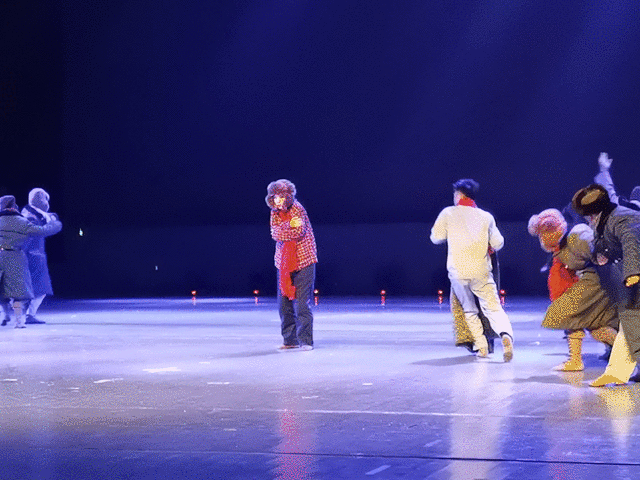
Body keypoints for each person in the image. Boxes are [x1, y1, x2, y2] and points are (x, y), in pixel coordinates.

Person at [430, 179, 514, 361]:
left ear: (459, 195)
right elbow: (498, 243)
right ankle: (505, 334)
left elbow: (435, 237)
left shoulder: (448, 213)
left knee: (469, 310)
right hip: (480, 270)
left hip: (458, 271)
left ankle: (481, 346)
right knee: (493, 307)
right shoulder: (486, 216)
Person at [528, 208, 617, 371]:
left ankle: (629, 350)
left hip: (599, 283)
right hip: (589, 284)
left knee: (579, 318)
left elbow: (605, 255)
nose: (543, 237)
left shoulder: (577, 237)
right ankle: (576, 360)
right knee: (591, 327)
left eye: (545, 232)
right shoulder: (560, 249)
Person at [570, 184, 640, 386]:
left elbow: (631, 243)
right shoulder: (603, 219)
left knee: (631, 321)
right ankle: (617, 372)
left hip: (634, 275)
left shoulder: (624, 217)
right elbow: (603, 243)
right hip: (627, 280)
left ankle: (617, 372)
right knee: (630, 323)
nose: (587, 218)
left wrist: (633, 272)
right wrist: (599, 255)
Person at [266, 180, 318, 351]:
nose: (277, 200)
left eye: (280, 197)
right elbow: (275, 233)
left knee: (302, 304)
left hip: (304, 260)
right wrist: (287, 226)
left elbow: (298, 232)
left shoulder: (297, 209)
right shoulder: (274, 212)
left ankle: (306, 341)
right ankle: (290, 340)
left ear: (287, 197)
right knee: (284, 305)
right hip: (283, 263)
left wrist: (284, 228)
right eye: (274, 197)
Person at [0, 195, 62, 328]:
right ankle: (19, 321)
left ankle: (5, 314)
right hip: (15, 256)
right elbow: (43, 231)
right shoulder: (21, 221)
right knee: (18, 291)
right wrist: (55, 223)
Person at [21, 188, 61, 324]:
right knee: (41, 287)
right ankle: (28, 315)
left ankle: (27, 314)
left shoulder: (32, 214)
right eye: (45, 198)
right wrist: (55, 224)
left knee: (35, 288)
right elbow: (40, 232)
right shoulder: (31, 217)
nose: (47, 203)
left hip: (32, 255)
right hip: (32, 256)